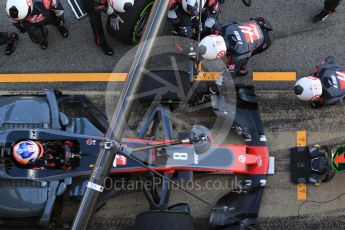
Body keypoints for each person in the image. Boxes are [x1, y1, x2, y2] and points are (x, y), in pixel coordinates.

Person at [198, 17, 273, 77]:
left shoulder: (237, 55)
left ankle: (241, 69)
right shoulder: (223, 28)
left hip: (266, 39)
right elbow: (231, 23)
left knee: (247, 55)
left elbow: (228, 76)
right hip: (257, 21)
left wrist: (213, 89)